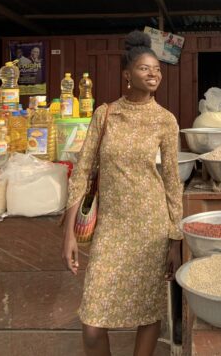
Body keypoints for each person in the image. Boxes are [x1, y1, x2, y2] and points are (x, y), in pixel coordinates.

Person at [62, 30, 183, 356]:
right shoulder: (106, 115)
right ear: (127, 75)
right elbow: (82, 173)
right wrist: (69, 234)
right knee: (91, 325)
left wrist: (175, 239)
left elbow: (172, 181)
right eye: (145, 68)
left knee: (148, 310)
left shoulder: (165, 121)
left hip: (151, 229)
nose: (153, 73)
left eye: (157, 69)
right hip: (111, 230)